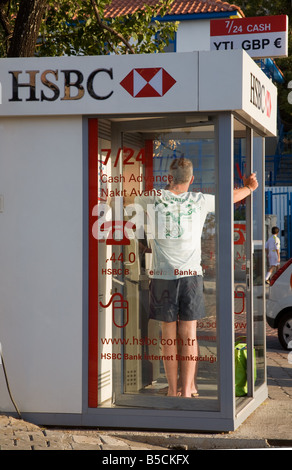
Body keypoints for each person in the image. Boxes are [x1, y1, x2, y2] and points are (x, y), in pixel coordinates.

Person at [135, 158, 258, 398]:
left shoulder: (151, 198)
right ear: (192, 179)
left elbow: (123, 202)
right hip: (191, 275)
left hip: (162, 276)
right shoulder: (200, 200)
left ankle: (172, 390)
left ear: (169, 176)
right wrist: (250, 187)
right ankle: (188, 388)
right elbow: (233, 196)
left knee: (168, 335)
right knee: (189, 334)